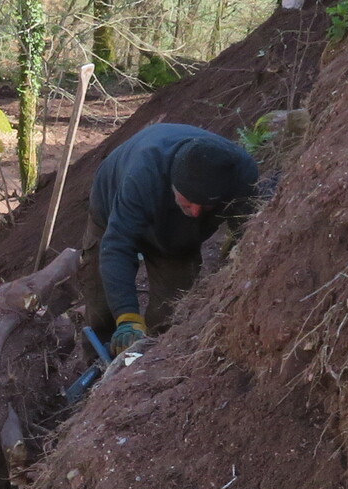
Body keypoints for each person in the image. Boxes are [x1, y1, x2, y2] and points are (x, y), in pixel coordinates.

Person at [80, 122, 260, 353]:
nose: (196, 212)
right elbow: (117, 246)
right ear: (173, 184)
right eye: (189, 201)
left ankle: (146, 362)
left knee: (170, 315)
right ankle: (97, 366)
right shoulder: (143, 174)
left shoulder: (240, 173)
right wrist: (127, 319)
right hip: (110, 210)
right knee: (102, 308)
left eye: (205, 205)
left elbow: (248, 236)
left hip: (177, 238)